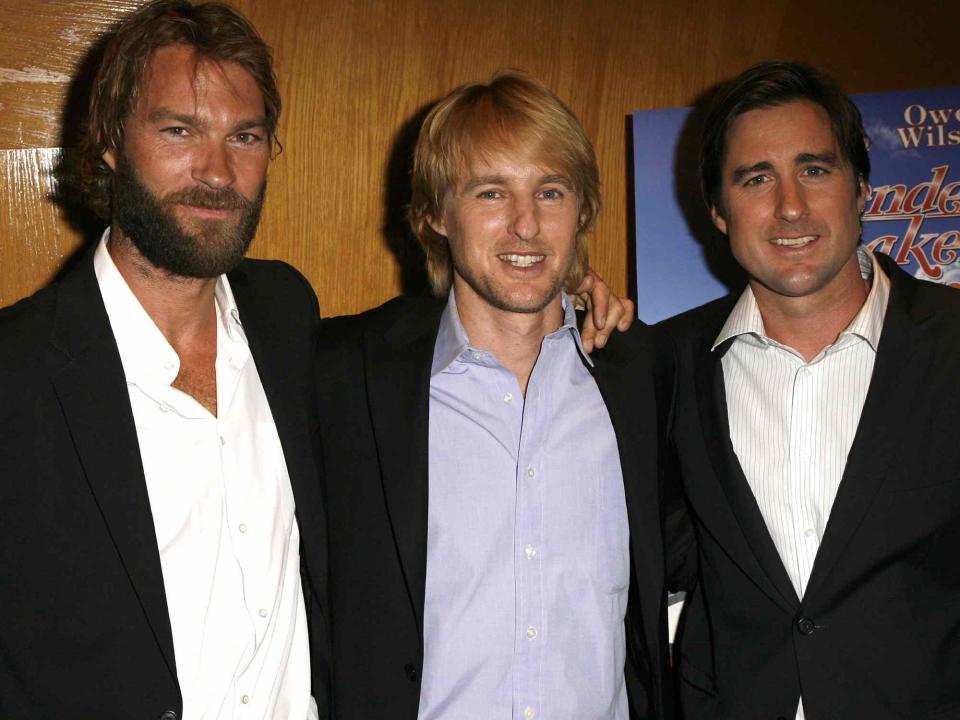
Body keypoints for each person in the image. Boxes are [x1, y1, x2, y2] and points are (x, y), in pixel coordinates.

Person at [0, 2, 329, 717]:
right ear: (110, 142)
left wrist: (555, 308)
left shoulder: (287, 314)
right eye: (179, 130)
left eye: (244, 136)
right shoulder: (15, 376)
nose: (216, 172)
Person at [317, 72, 675, 720]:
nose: (527, 225)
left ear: (583, 210)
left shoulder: (644, 376)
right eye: (491, 192)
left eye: (551, 191)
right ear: (433, 213)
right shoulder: (346, 375)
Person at [661, 61, 960, 720]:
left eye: (815, 170)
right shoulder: (664, 365)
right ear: (716, 209)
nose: (789, 205)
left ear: (860, 188)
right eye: (756, 178)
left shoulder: (950, 343)